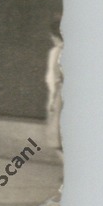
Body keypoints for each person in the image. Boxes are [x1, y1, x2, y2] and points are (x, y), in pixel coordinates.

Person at [46, 20, 63, 152]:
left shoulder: (56, 52)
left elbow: (52, 77)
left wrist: (51, 99)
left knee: (57, 137)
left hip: (61, 95)